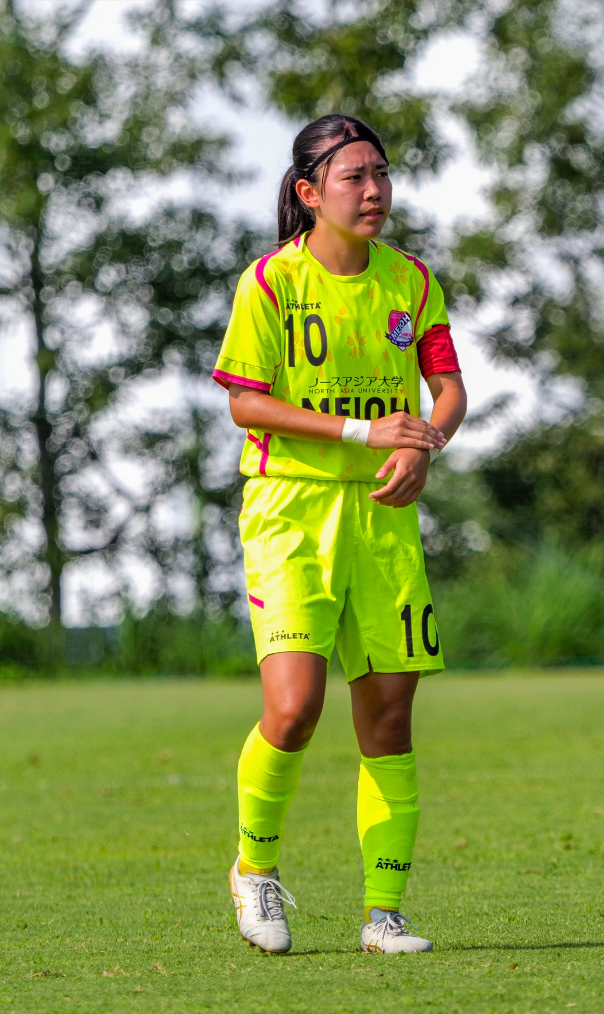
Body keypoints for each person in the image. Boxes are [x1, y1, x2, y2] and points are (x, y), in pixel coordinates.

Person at [214, 114, 466, 954]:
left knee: (389, 719)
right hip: (291, 507)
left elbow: (448, 389)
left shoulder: (414, 283)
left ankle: (383, 915)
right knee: (292, 709)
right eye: (354, 177)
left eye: (382, 174)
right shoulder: (271, 284)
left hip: (385, 520)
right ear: (308, 192)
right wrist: (363, 435)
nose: (374, 190)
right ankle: (254, 873)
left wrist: (427, 446)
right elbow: (245, 402)